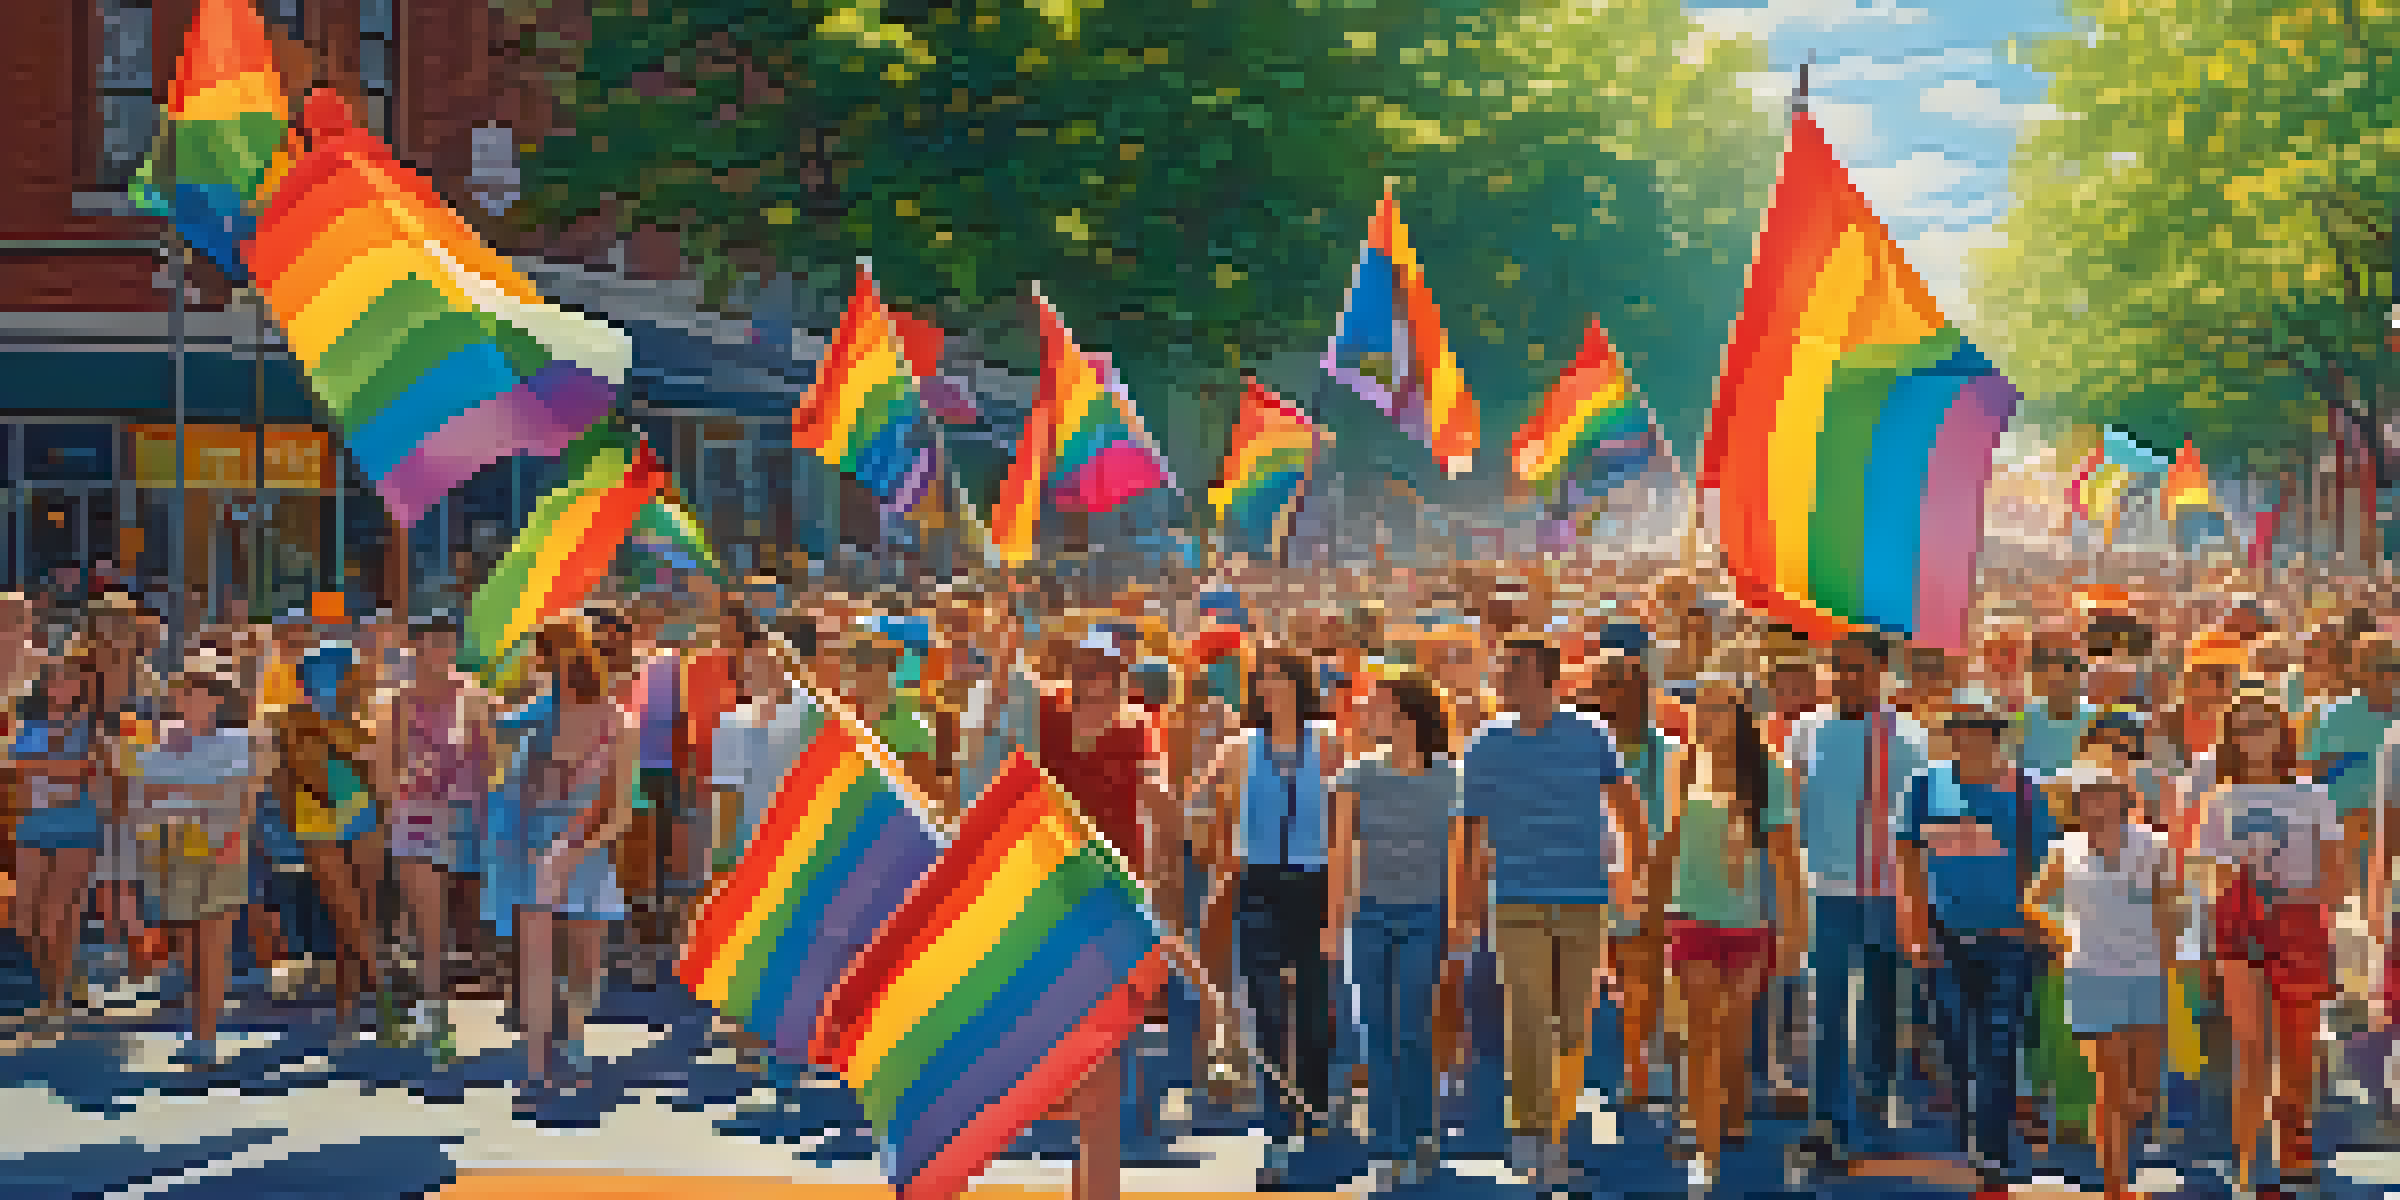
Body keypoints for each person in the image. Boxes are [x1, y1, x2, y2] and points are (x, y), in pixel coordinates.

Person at [1458, 636, 1641, 1188]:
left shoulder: (1590, 734)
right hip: (1515, 899)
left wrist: (1634, 880)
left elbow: (1628, 807)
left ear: (1545, 675)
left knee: (1572, 1026)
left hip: (1584, 900)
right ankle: (1530, 1132)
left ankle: (1556, 1134)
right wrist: (1466, 905)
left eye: (1515, 668)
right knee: (1528, 1019)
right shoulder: (1485, 742)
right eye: (1504, 667)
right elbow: (1468, 830)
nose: (1505, 676)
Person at [1037, 641, 1181, 1200]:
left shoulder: (1137, 727)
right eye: (1083, 667)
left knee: (1105, 1052)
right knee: (1070, 1051)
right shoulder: (1045, 714)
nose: (1093, 678)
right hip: (1051, 900)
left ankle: (1100, 1189)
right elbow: (991, 720)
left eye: (1105, 670)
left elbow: (1158, 796)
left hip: (1115, 902)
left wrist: (1164, 882)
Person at [1895, 690, 2056, 1185]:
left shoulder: (2026, 792)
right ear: (1953, 737)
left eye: (1985, 731)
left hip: (2011, 941)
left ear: (1997, 736)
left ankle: (1993, 1149)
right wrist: (1915, 928)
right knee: (1959, 1047)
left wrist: (2041, 928)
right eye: (1965, 731)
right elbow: (1910, 861)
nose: (1975, 740)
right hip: (1944, 939)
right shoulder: (1924, 786)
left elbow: (2047, 865)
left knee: (2000, 1045)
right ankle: (1977, 1136)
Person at [1784, 631, 1930, 1167]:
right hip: (1824, 890)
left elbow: (1922, 821)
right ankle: (1829, 1120)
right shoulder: (1805, 731)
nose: (1847, 678)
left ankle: (1872, 1098)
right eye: (1838, 667)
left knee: (1880, 1008)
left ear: (1881, 673)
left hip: (1889, 893)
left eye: (1857, 668)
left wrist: (1918, 898)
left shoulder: (1911, 736)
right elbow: (1791, 806)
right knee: (1825, 1011)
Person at [1193, 651, 1337, 1179]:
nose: (1269, 688)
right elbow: (1200, 805)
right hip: (1259, 885)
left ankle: (1315, 1110)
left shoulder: (1329, 744)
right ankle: (1278, 1126)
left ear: (1301, 687)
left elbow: (1351, 818)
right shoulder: (1238, 749)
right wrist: (1217, 845)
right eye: (1263, 680)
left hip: (1318, 885)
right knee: (1267, 1009)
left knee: (1316, 1009)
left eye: (1279, 679)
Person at [2198, 689, 2344, 1189]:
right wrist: (2237, 886)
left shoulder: (2313, 795)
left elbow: (2336, 879)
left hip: (2299, 923)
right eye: (2242, 728)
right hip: (2239, 927)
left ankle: (2295, 1147)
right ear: (2231, 740)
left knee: (2298, 1049)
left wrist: (2288, 890)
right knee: (2251, 1047)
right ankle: (2247, 1158)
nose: (2252, 737)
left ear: (2282, 735)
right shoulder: (2220, 799)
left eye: (2262, 726)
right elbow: (2209, 875)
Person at [1662, 666, 1802, 1186]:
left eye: (1720, 706)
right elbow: (1669, 844)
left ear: (1742, 715)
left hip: (1749, 926)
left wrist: (1792, 934)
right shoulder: (1683, 765)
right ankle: (1704, 1146)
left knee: (1733, 1036)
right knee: (1701, 1033)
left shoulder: (1766, 771)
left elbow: (1786, 861)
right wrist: (1653, 911)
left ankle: (1734, 1109)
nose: (1709, 716)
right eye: (1702, 706)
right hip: (1693, 918)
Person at [2023, 767, 2180, 1200]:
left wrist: (2168, 963)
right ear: (2077, 803)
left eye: (2106, 795)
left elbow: (2172, 906)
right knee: (2110, 1085)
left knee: (2142, 1092)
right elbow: (2033, 902)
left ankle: (2123, 1143)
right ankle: (2115, 1185)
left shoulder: (2155, 844)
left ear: (2125, 800)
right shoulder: (2063, 849)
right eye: (2088, 796)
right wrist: (2061, 936)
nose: (2097, 804)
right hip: (2090, 974)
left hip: (2146, 975)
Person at [1329, 669, 1456, 1187]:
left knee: (1412, 1027)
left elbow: (1460, 855)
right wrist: (1333, 923)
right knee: (1375, 1032)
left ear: (1407, 715)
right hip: (1370, 916)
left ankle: (1421, 1131)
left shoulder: (1453, 778)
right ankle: (1389, 1145)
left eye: (1377, 705)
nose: (1367, 714)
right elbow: (1340, 853)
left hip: (1426, 915)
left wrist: (1460, 921)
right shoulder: (1355, 777)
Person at [517, 618, 635, 1104]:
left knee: (586, 959)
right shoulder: (533, 717)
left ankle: (573, 1037)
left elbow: (620, 810)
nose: (548, 668)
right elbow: (515, 791)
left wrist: (579, 851)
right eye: (545, 659)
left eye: (557, 657)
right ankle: (540, 1054)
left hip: (587, 849)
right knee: (539, 960)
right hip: (537, 849)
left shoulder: (616, 721)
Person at [131, 671, 260, 1066]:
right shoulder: (158, 744)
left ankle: (206, 1037)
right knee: (188, 948)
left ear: (216, 700)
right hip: (171, 848)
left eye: (197, 692)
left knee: (213, 946)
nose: (187, 699)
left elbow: (239, 797)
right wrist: (201, 793)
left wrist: (183, 792)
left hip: (222, 847)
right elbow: (143, 797)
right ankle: (196, 1029)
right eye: (182, 692)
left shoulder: (236, 741)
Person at [385, 616, 493, 1054]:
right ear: (416, 648)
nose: (442, 653)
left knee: (459, 914)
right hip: (415, 812)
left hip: (464, 813)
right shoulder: (397, 699)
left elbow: (486, 758)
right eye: (433, 645)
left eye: (449, 644)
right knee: (427, 913)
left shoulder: (472, 695)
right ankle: (434, 1008)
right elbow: (386, 761)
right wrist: (400, 796)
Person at [1580, 625, 1677, 1108]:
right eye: (1596, 688)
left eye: (1612, 686)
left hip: (1648, 880)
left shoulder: (1668, 754)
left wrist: (1649, 876)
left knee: (1643, 975)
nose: (1601, 697)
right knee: (1601, 979)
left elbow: (1671, 820)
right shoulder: (1579, 748)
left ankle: (1639, 1067)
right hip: (1587, 879)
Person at [8, 657, 104, 1028]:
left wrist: (48, 768)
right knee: (27, 919)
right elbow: (23, 771)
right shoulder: (29, 727)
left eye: (69, 680)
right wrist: (61, 770)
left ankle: (55, 997)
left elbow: (86, 772)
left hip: (78, 828)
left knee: (58, 916)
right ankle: (59, 988)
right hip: (33, 827)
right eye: (55, 680)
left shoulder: (93, 729)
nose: (61, 686)